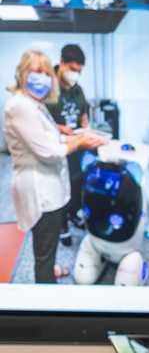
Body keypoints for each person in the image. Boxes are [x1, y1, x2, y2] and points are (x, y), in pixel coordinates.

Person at [3, 49, 105, 283]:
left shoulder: (34, 104)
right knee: (45, 249)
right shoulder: (21, 106)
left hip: (49, 186)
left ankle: (49, 268)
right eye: (37, 71)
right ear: (23, 73)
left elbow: (50, 138)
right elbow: (48, 151)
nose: (43, 77)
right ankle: (46, 288)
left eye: (47, 73)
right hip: (40, 190)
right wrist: (79, 142)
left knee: (45, 242)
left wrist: (75, 136)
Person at [47, 44, 90, 238]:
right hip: (55, 147)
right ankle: (61, 226)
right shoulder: (47, 86)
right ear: (61, 62)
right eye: (72, 70)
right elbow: (37, 121)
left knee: (76, 182)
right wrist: (58, 128)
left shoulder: (77, 88)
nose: (75, 75)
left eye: (78, 71)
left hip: (76, 145)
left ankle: (73, 214)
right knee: (58, 187)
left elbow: (83, 111)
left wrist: (86, 126)